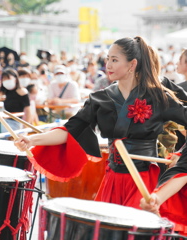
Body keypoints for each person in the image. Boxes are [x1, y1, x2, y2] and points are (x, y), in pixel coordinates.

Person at [14, 36, 187, 210]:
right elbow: (71, 130)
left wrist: (180, 156)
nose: (108, 65)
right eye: (107, 59)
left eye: (114, 60)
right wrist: (32, 140)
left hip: (144, 181)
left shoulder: (158, 97)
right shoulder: (100, 99)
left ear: (132, 64)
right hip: (112, 179)